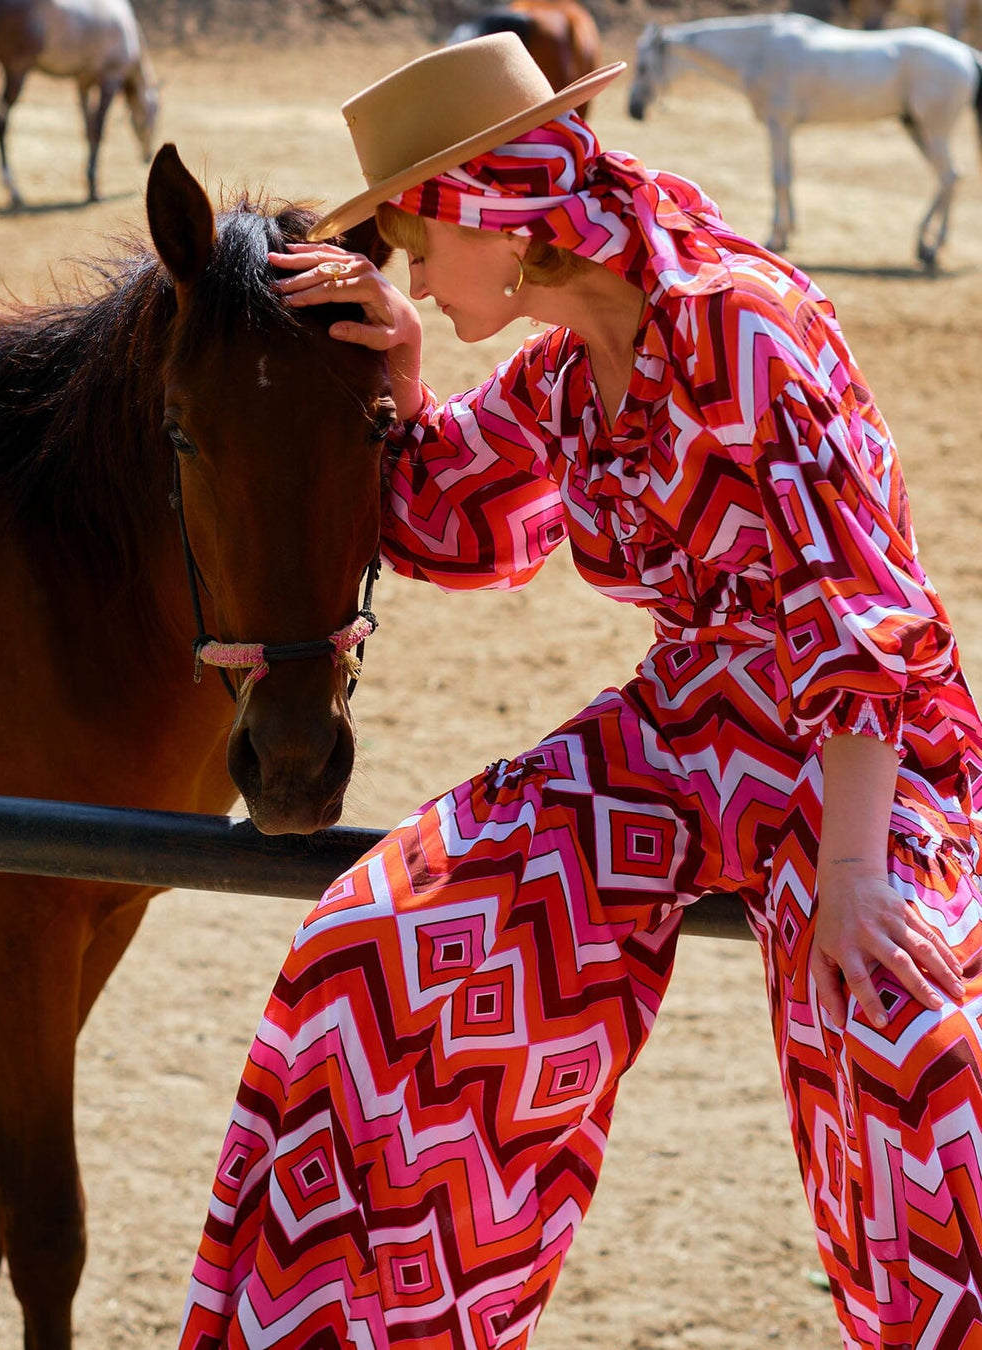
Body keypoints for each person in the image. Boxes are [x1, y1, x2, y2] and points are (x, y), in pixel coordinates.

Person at [178, 33, 982, 1350]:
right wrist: (388, 367)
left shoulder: (743, 322)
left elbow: (862, 600)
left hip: (859, 750)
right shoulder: (563, 375)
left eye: (418, 240)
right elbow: (448, 517)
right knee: (369, 949)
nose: (415, 274)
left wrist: (852, 865)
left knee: (913, 1049)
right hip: (680, 735)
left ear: (497, 209)